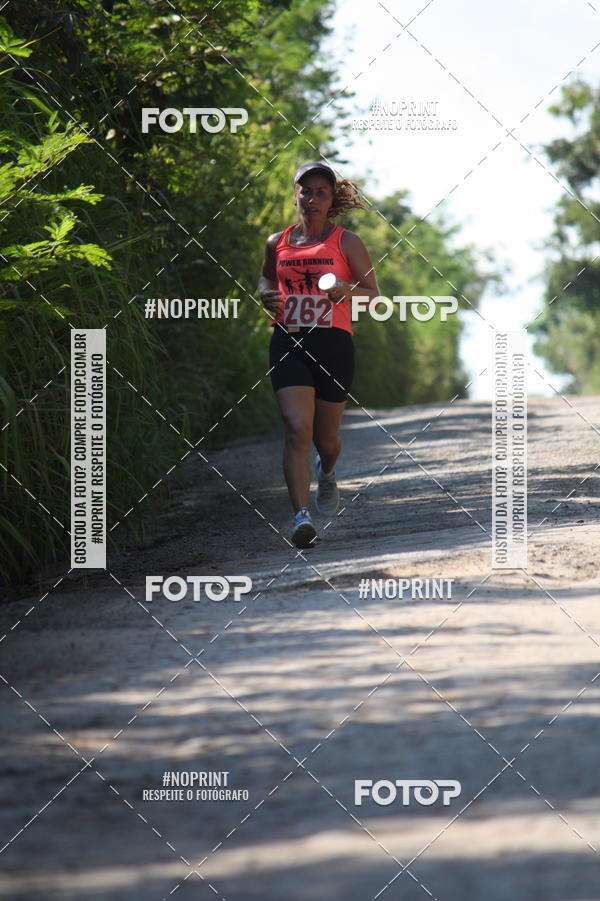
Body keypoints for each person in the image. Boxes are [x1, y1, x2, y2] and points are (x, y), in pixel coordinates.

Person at [258, 162, 379, 548]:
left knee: (326, 440)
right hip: (287, 340)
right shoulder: (276, 241)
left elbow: (373, 294)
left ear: (331, 200)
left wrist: (346, 290)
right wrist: (266, 294)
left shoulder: (347, 242)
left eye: (320, 193)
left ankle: (326, 470)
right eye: (305, 191)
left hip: (333, 344)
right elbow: (266, 278)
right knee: (296, 429)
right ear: (295, 194)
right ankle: (300, 516)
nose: (311, 199)